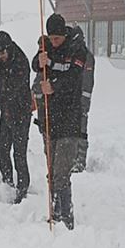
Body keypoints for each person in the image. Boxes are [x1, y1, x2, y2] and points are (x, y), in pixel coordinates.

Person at [31, 13, 87, 230]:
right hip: (49, 119)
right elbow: (35, 64)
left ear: (64, 33)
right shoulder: (47, 46)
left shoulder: (76, 49)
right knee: (52, 171)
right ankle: (57, 211)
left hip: (69, 120)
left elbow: (74, 78)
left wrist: (54, 85)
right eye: (51, 38)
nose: (54, 42)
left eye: (57, 39)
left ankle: (65, 216)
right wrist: (40, 60)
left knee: (61, 171)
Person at [0, 31, 32, 204]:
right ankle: (7, 182)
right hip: (7, 111)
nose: (0, 56)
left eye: (2, 53)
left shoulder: (21, 62)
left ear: (8, 48)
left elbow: (10, 92)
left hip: (21, 111)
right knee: (2, 150)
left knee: (19, 153)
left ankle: (22, 188)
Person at [71, 25, 95, 173]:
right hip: (72, 99)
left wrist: (84, 103)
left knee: (81, 130)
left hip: (82, 99)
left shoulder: (87, 57)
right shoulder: (73, 54)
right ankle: (73, 157)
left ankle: (80, 160)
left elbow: (87, 82)